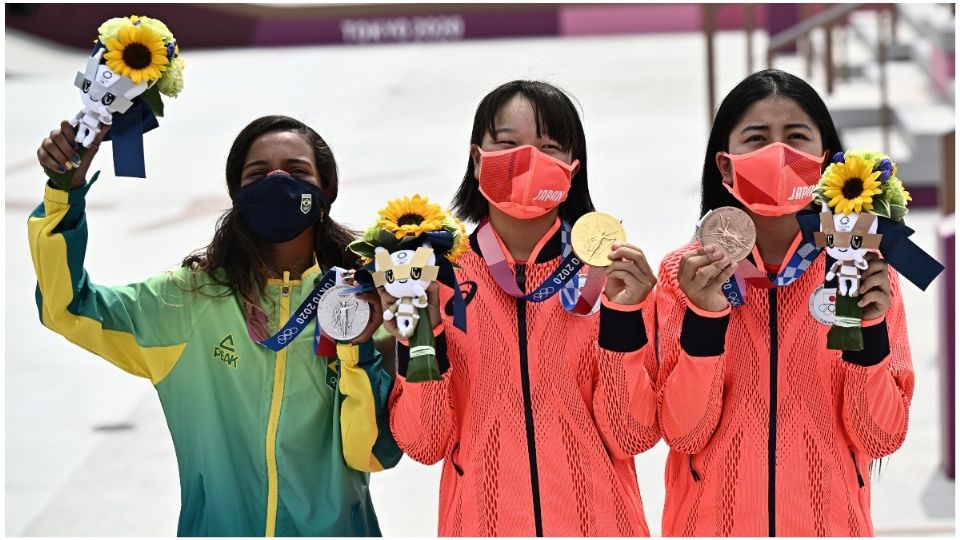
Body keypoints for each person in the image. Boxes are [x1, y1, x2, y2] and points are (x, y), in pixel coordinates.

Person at [29, 115, 401, 536]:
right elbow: (68, 307)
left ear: (326, 189)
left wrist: (357, 347)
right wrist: (64, 192)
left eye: (296, 172)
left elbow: (374, 453)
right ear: (239, 194)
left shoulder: (366, 300)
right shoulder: (189, 300)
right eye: (258, 173)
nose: (277, 181)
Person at [384, 80, 660, 536]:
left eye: (549, 147)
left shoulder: (609, 274)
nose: (528, 161)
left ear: (573, 168)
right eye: (508, 144)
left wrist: (623, 319)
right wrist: (422, 337)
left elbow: (631, 433)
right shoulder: (437, 277)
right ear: (478, 160)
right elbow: (424, 442)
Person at [655, 69, 913, 536]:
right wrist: (704, 320)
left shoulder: (856, 267)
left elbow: (879, 436)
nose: (778, 155)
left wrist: (871, 334)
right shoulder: (685, 275)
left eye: (796, 137)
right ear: (726, 165)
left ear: (827, 162)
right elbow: (684, 432)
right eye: (756, 139)